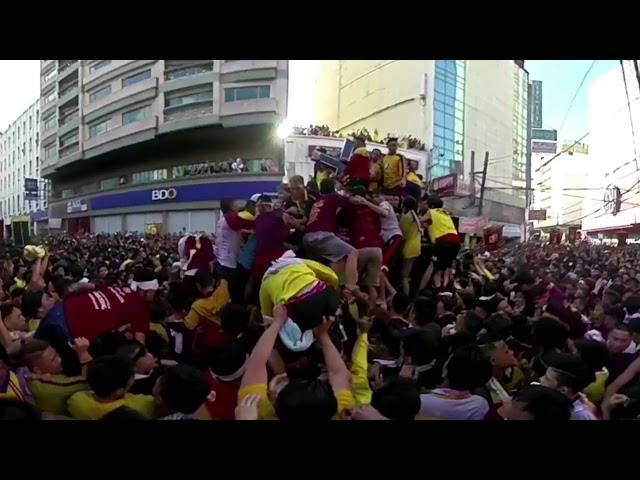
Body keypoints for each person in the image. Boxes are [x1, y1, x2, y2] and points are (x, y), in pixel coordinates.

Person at [302, 179, 366, 299]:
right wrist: (364, 200)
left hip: (307, 239)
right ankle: (351, 286)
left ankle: (338, 287)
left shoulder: (318, 200)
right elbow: (355, 201)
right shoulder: (333, 197)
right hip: (321, 236)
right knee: (353, 252)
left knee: (337, 258)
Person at [421, 195, 461, 290]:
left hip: (444, 243)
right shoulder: (445, 214)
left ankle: (422, 290)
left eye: (426, 204)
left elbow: (419, 222)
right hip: (456, 243)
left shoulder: (431, 212)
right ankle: (445, 289)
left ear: (431, 205)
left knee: (434, 268)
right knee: (446, 267)